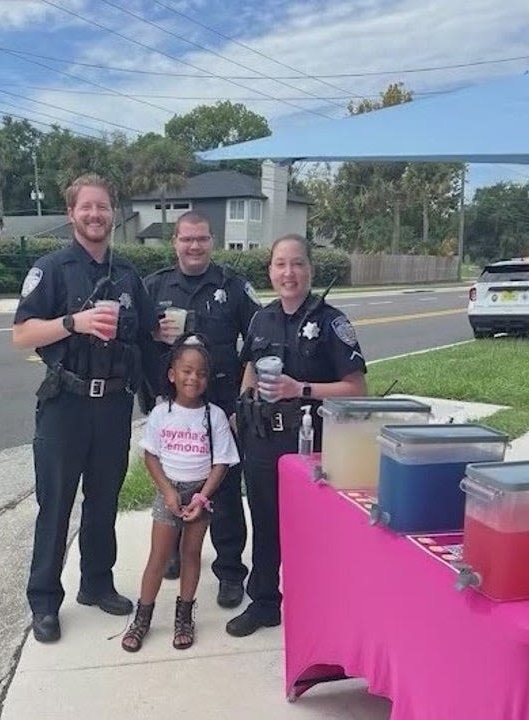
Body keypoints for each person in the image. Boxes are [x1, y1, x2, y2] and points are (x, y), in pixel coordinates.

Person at [11, 173, 159, 644]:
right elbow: (21, 335)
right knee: (54, 506)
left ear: (113, 213)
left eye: (103, 207)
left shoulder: (130, 276)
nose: (95, 215)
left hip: (113, 405)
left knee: (104, 502)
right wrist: (73, 322)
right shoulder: (51, 269)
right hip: (65, 404)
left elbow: (145, 341)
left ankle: (96, 584)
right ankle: (44, 602)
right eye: (86, 207)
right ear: (72, 212)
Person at [227, 234, 369, 637]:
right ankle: (265, 602)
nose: (288, 273)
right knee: (265, 521)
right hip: (261, 441)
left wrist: (300, 389)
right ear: (270, 270)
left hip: (312, 441)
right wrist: (242, 407)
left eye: (297, 264)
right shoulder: (260, 318)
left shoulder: (331, 321)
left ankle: (319, 606)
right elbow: (250, 367)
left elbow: (356, 388)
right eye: (280, 265)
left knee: (313, 529)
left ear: (310, 269)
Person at [140, 210, 261, 609]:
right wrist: (152, 335)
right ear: (174, 241)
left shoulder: (234, 286)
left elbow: (259, 340)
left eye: (202, 239)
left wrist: (244, 398)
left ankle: (229, 571)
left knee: (224, 493)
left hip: (221, 410)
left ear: (213, 241)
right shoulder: (154, 286)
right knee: (173, 483)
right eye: (186, 239)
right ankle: (173, 551)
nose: (194, 246)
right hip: (174, 411)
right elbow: (137, 346)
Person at [120, 336, 240, 652]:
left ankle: (184, 615)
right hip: (169, 492)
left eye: (201, 373)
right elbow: (150, 456)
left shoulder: (214, 416)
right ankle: (142, 618)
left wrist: (202, 497)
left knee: (190, 554)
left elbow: (222, 462)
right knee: (158, 557)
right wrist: (168, 492)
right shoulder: (162, 413)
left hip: (201, 494)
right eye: (186, 371)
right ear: (172, 374)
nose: (193, 378)